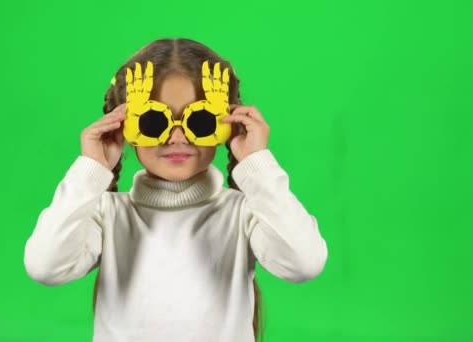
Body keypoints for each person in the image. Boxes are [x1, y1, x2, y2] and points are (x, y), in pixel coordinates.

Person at [24, 38, 328, 342]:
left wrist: (257, 164)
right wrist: (91, 169)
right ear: (123, 126)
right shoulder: (107, 214)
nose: (177, 137)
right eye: (155, 121)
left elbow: (304, 263)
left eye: (201, 120)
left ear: (228, 125)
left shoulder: (243, 213)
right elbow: (45, 266)